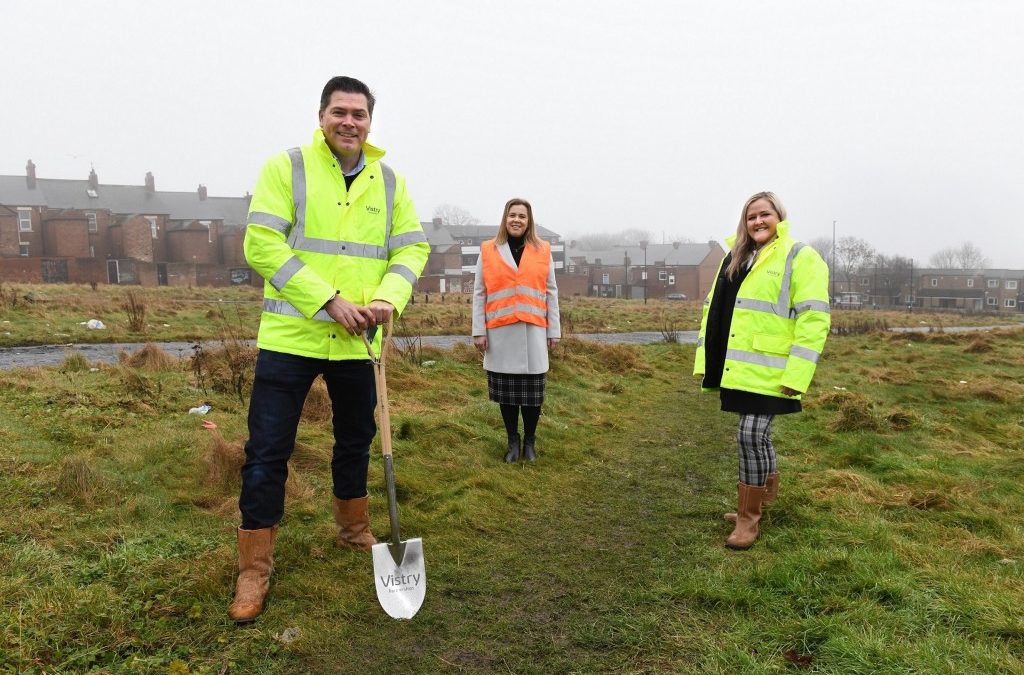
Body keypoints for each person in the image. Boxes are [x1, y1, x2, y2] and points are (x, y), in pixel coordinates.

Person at [229, 76, 430, 622]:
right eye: (339, 111)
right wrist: (327, 301)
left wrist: (390, 297)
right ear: (321, 116)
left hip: (359, 344)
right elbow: (261, 243)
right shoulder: (286, 168)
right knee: (268, 450)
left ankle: (354, 529)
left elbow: (412, 246)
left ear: (370, 122)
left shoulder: (390, 182)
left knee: (356, 440)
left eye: (359, 114)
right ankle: (255, 569)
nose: (350, 122)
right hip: (291, 340)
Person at [693, 192, 830, 550]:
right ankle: (759, 503)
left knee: (749, 436)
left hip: (774, 369)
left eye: (764, 214)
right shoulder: (736, 256)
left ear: (779, 217)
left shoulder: (800, 256)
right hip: (741, 368)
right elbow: (716, 311)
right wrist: (706, 364)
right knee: (757, 436)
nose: (757, 221)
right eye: (751, 216)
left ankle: (747, 519)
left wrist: (797, 376)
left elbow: (814, 319)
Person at [472, 198, 561, 463]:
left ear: (529, 221)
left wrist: (553, 330)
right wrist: (479, 330)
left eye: (522, 216)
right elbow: (480, 292)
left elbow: (551, 292)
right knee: (508, 395)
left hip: (534, 331)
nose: (517, 220)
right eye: (513, 215)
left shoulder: (543, 250)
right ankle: (513, 441)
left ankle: (530, 441)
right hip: (500, 332)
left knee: (533, 395)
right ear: (505, 218)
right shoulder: (488, 250)